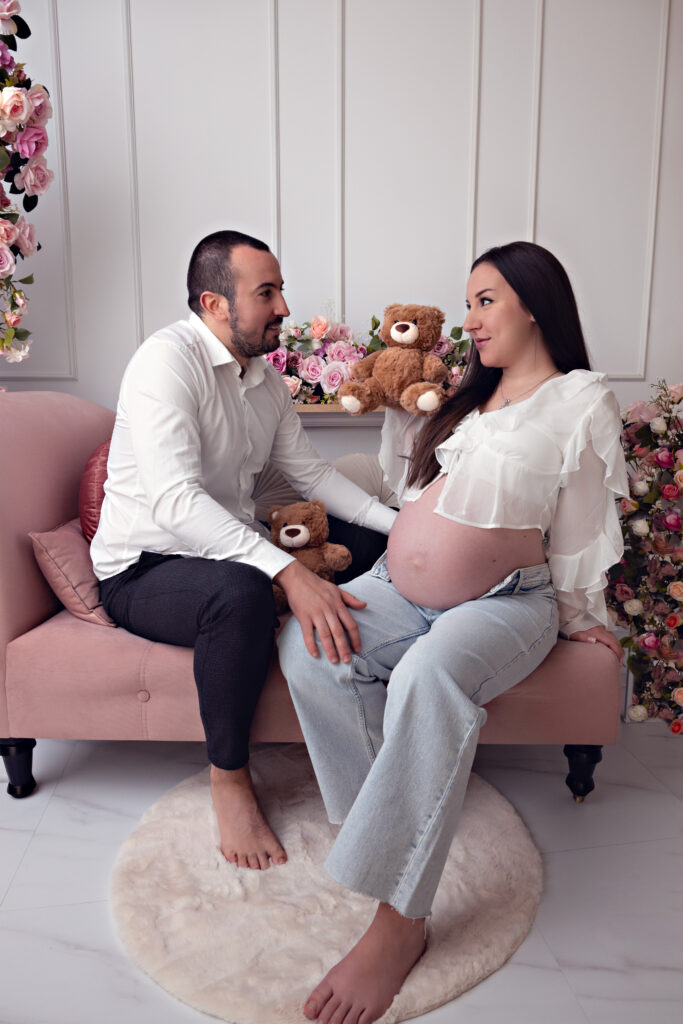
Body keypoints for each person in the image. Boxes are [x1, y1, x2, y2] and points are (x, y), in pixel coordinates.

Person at [277, 241, 629, 1024]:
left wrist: (582, 619)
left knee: (426, 676)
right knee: (309, 649)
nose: (468, 319)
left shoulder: (578, 399)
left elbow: (580, 522)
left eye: (484, 300)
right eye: (467, 303)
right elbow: (408, 494)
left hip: (505, 601)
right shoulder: (466, 399)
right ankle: (384, 827)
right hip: (393, 590)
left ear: (534, 303)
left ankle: (399, 922)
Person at [91, 230, 397, 872]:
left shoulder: (267, 383)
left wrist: (397, 526)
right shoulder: (165, 362)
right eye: (267, 293)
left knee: (366, 543)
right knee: (243, 594)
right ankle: (229, 779)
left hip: (232, 549)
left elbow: (311, 476)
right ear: (214, 303)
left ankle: (380, 710)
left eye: (280, 290)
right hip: (145, 567)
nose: (284, 306)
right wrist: (288, 574)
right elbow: (176, 502)